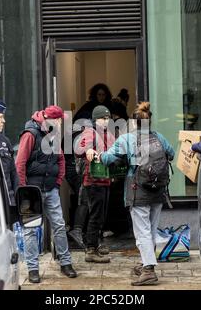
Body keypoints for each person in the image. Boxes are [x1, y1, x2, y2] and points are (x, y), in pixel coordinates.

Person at [98, 102, 175, 286]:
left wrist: (96, 155)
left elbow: (108, 158)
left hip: (138, 190)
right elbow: (171, 154)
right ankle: (144, 262)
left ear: (133, 123)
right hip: (158, 191)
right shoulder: (159, 137)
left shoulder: (126, 139)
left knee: (142, 232)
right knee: (150, 229)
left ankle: (148, 270)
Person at [15, 105, 77, 283]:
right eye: (59, 121)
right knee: (31, 229)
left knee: (59, 225)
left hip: (51, 190)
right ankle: (33, 269)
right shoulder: (30, 134)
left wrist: (57, 182)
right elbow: (20, 163)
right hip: (31, 191)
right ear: (53, 119)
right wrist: (23, 189)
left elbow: (61, 160)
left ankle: (65, 263)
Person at [75, 105, 115, 263]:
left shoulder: (108, 134)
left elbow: (114, 149)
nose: (106, 121)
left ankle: (96, 244)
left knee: (102, 214)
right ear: (95, 119)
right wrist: (88, 150)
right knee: (96, 215)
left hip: (105, 179)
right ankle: (90, 249)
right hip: (93, 180)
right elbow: (79, 148)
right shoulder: (89, 132)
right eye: (102, 118)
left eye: (107, 118)